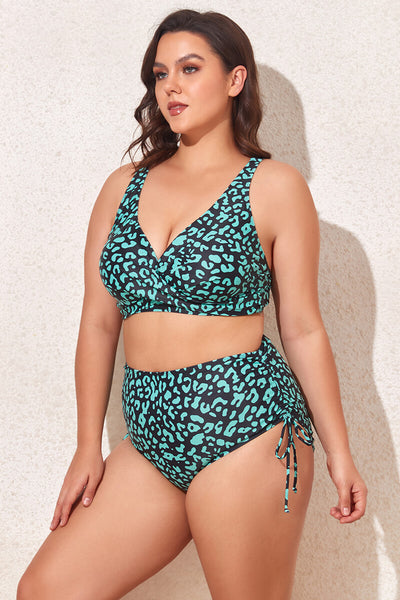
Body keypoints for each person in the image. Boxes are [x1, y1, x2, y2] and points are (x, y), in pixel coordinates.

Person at [17, 8, 367, 600]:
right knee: (46, 591)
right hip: (149, 436)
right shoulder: (122, 187)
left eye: (190, 68)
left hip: (246, 424)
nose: (171, 87)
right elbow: (99, 322)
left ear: (235, 80)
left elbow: (303, 329)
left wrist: (340, 453)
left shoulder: (273, 186)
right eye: (160, 74)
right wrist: (86, 446)